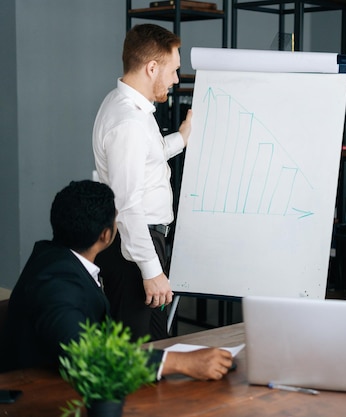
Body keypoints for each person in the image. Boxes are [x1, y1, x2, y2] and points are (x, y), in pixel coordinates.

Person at [0, 180, 232, 380]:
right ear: (106, 234)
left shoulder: (51, 258)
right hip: (41, 397)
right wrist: (182, 363)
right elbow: (87, 356)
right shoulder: (57, 285)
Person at [92, 23, 192, 340]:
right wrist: (152, 271)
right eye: (173, 70)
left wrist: (183, 137)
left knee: (153, 345)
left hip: (138, 243)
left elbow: (149, 155)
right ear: (152, 67)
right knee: (137, 352)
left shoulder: (127, 106)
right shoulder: (129, 122)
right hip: (135, 248)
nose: (176, 79)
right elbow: (128, 203)